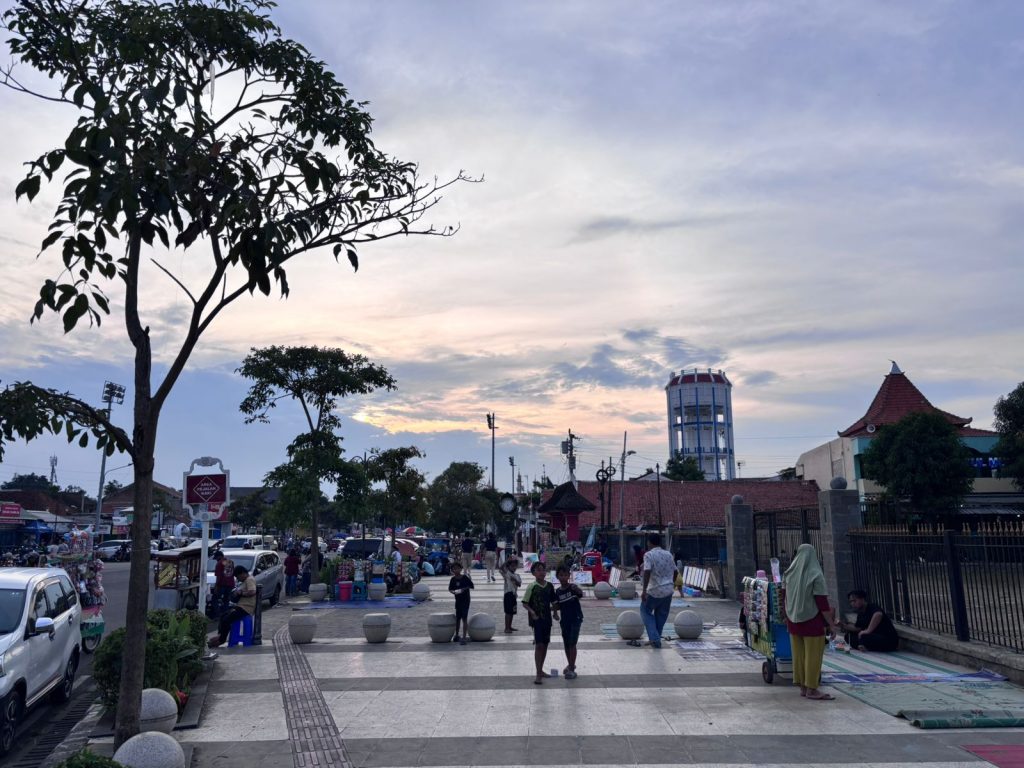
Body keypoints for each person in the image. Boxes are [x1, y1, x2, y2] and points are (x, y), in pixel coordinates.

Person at [783, 543, 839, 701]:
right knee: (813, 656)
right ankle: (812, 689)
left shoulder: (789, 573)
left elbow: (784, 597)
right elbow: (822, 603)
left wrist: (786, 615)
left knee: (799, 656)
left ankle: (802, 687)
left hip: (793, 620)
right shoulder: (815, 574)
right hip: (812, 621)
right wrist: (832, 625)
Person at [522, 561, 556, 685]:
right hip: (537, 620)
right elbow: (525, 603)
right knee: (539, 645)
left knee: (545, 644)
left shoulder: (550, 586)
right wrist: (532, 612)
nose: (542, 572)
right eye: (538, 570)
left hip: (547, 619)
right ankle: (538, 673)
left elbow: (554, 601)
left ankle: (541, 670)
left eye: (543, 569)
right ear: (533, 573)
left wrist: (555, 613)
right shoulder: (532, 586)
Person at [208, 565, 257, 648]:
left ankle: (221, 640)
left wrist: (241, 593)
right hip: (240, 606)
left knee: (227, 619)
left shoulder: (250, 579)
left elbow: (252, 592)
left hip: (245, 608)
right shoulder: (246, 580)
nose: (238, 579)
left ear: (242, 573)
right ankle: (220, 635)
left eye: (238, 577)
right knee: (223, 616)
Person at [640, 532, 675, 648]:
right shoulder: (668, 554)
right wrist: (672, 584)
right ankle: (656, 639)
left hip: (654, 590)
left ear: (649, 543)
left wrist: (644, 590)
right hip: (668, 590)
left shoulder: (648, 555)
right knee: (661, 615)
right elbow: (675, 571)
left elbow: (647, 571)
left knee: (645, 611)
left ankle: (655, 638)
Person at [554, 564, 584, 679]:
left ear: (569, 576)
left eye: (565, 575)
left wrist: (577, 589)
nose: (563, 577)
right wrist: (554, 612)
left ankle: (571, 669)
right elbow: (557, 605)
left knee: (572, 643)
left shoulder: (572, 588)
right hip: (565, 620)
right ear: (557, 576)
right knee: (566, 644)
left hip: (575, 619)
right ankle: (570, 664)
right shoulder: (558, 592)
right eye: (561, 575)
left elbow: (580, 594)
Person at [448, 561, 474, 645]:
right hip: (458, 600)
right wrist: (453, 592)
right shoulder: (453, 579)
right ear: (452, 570)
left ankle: (464, 637)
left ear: (461, 569)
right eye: (454, 569)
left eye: (457, 568)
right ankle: (456, 635)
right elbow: (450, 589)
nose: (456, 570)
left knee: (464, 618)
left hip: (465, 600)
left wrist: (464, 589)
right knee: (458, 618)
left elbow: (471, 586)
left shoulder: (465, 578)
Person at [499, 557, 522, 633]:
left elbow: (519, 584)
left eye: (515, 566)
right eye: (512, 566)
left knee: (512, 611)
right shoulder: (507, 573)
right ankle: (506, 628)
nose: (514, 567)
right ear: (508, 567)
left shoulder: (517, 575)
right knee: (508, 612)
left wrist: (515, 580)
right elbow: (501, 568)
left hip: (514, 595)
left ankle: (510, 626)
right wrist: (507, 561)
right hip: (508, 594)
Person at [212, 551, 236, 617]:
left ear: (219, 556)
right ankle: (225, 615)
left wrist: (216, 586)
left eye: (216, 558)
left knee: (214, 599)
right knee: (226, 600)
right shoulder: (230, 562)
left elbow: (218, 576)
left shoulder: (219, 563)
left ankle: (218, 614)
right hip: (230, 584)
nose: (216, 560)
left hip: (222, 584)